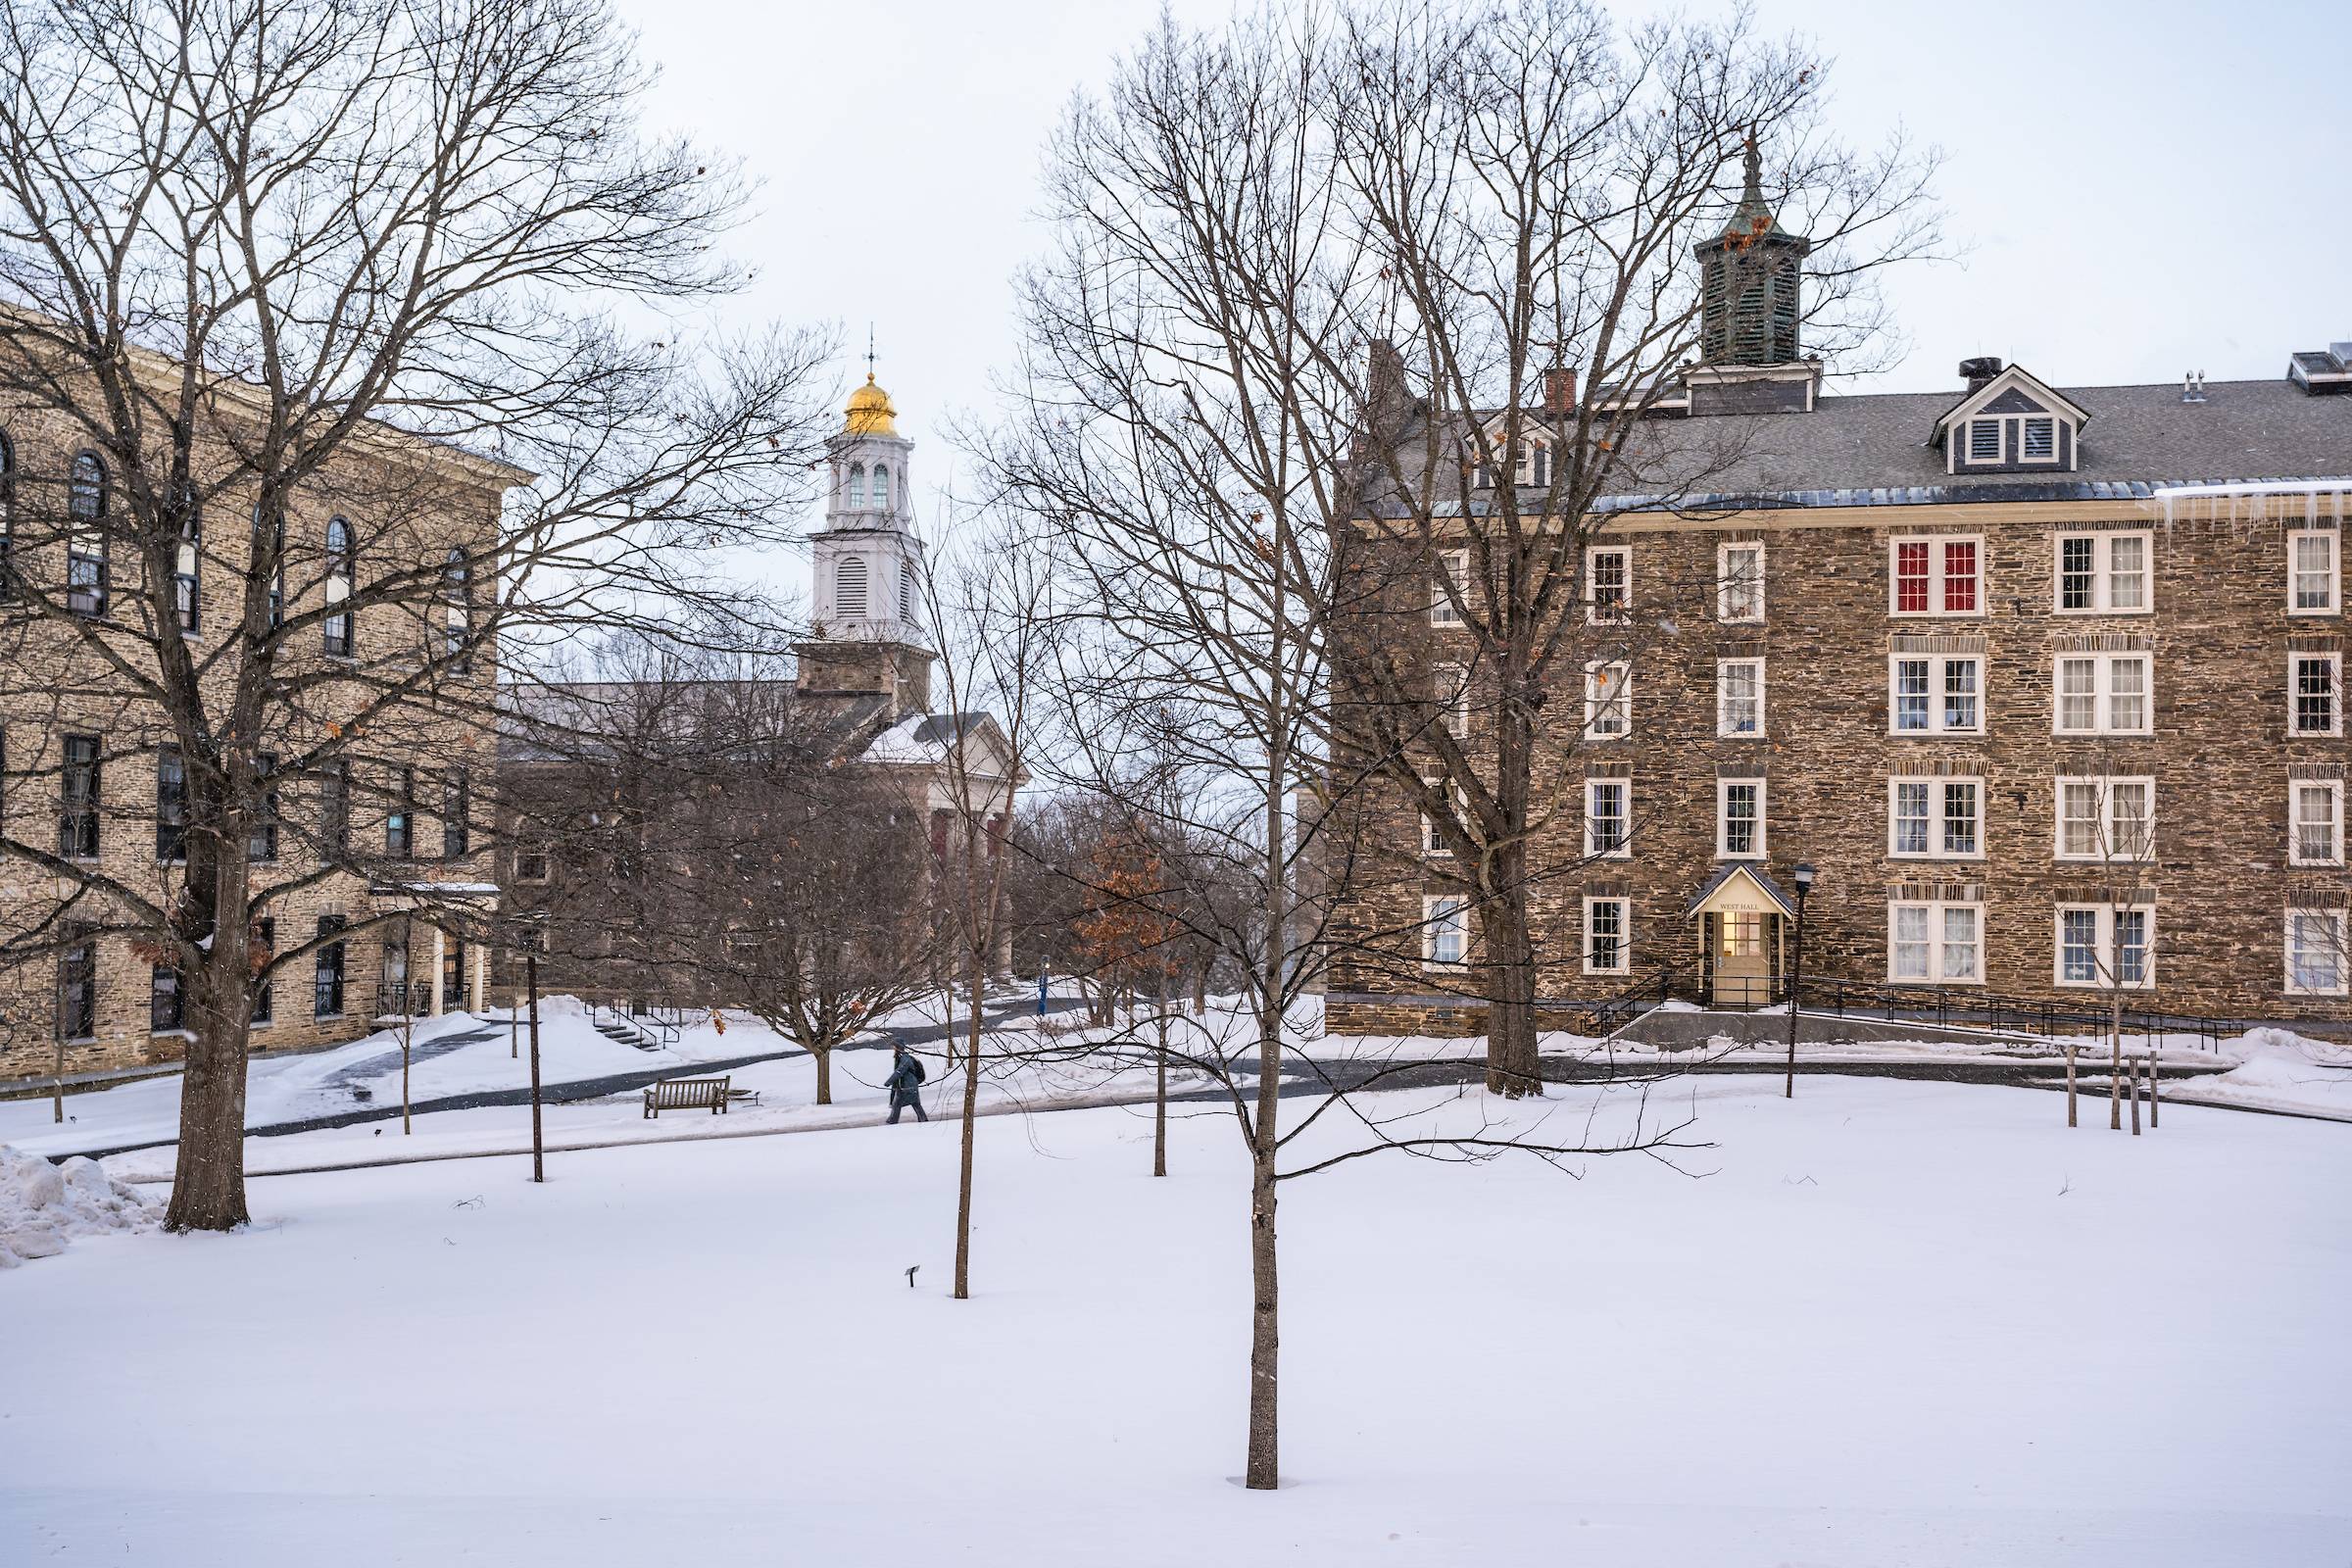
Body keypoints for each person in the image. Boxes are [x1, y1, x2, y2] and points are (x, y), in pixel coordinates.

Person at [886, 1045, 928, 1124]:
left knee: (897, 1104)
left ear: (898, 1047)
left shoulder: (905, 1058)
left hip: (907, 1085)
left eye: (894, 1046)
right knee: (915, 1103)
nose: (893, 1048)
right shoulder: (902, 1057)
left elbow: (899, 1071)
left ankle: (892, 1121)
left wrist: (889, 1082)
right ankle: (923, 1119)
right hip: (910, 1084)